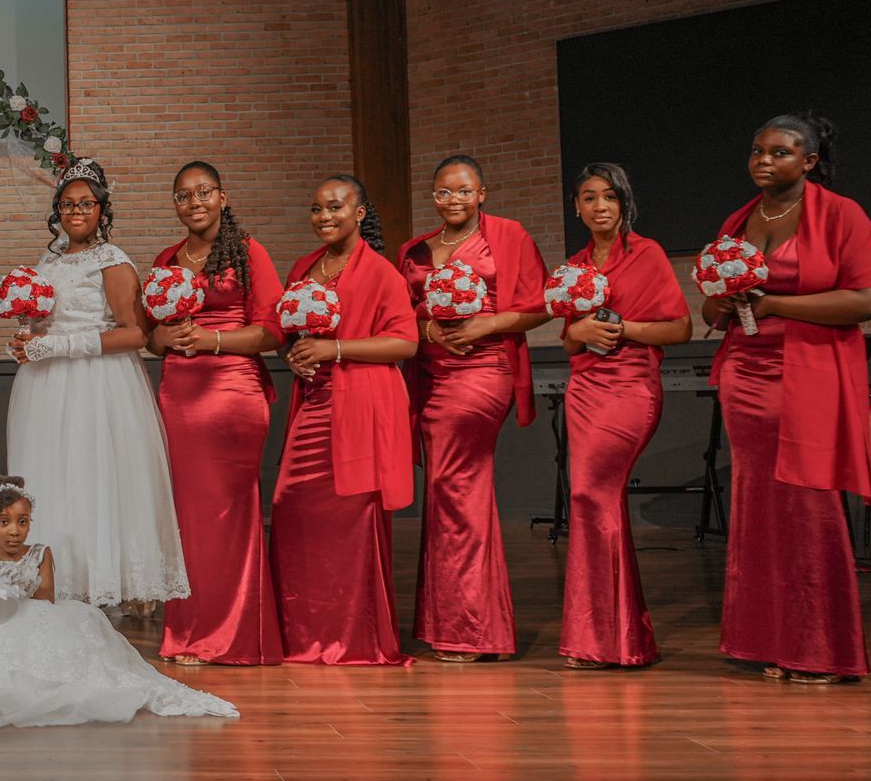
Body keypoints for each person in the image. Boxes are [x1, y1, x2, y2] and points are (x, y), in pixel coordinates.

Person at [705, 113, 871, 683]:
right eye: (757, 151)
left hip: (808, 371)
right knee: (757, 503)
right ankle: (767, 642)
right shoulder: (738, 220)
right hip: (745, 374)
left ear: (808, 161)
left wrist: (779, 305)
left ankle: (821, 649)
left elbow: (869, 300)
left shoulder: (840, 214)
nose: (764, 161)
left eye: (779, 152)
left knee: (808, 502)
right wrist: (722, 298)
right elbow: (712, 312)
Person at [0, 476, 238, 730]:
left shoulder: (40, 553)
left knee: (64, 656)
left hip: (35, 614)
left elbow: (48, 595)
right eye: (4, 522)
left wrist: (20, 587)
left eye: (22, 522)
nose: (14, 532)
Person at [5, 158, 188, 608]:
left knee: (92, 477)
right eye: (67, 204)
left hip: (96, 382)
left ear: (102, 209)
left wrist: (59, 347)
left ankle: (101, 583)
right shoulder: (46, 261)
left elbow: (135, 333)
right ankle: (58, 580)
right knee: (52, 475)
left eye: (86, 203)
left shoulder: (113, 260)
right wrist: (28, 340)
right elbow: (47, 319)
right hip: (45, 385)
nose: (76, 212)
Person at [397, 154, 547, 662]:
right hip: (433, 373)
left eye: (463, 191)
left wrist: (485, 324)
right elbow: (399, 318)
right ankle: (456, 622)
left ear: (482, 193)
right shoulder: (416, 250)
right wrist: (430, 330)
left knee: (455, 485)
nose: (453, 200)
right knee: (448, 490)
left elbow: (536, 306)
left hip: (484, 372)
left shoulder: (508, 236)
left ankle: (470, 630)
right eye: (443, 192)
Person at [273, 175, 417, 666]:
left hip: (359, 406)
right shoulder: (302, 268)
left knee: (352, 524)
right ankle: (303, 635)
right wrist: (296, 356)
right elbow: (293, 336)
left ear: (359, 213)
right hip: (312, 405)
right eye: (316, 209)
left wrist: (336, 348)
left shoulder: (380, 273)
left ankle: (353, 639)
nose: (324, 217)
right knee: (292, 511)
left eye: (335, 207)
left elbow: (406, 343)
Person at [147, 161, 284, 666]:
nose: (194, 202)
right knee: (187, 519)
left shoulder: (249, 252)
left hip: (231, 394)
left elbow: (272, 331)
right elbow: (150, 332)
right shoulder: (166, 259)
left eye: (204, 192)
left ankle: (230, 634)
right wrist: (161, 338)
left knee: (229, 514)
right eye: (183, 195)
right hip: (178, 397)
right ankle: (188, 632)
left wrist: (213, 340)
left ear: (223, 197)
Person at [555, 163, 691, 670]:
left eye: (608, 197)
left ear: (623, 202)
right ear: (577, 207)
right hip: (585, 389)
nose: (599, 207)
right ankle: (612, 637)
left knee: (592, 493)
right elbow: (568, 341)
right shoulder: (573, 267)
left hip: (631, 388)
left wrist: (623, 328)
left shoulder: (648, 254)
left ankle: (606, 637)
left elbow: (679, 329)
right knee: (590, 498)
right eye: (588, 198)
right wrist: (582, 330)